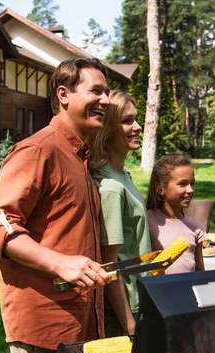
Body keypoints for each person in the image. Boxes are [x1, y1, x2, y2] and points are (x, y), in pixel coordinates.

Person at [0, 58, 111, 353]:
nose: (106, 100)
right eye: (96, 91)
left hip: (81, 324)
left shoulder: (78, 155)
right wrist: (60, 262)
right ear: (63, 94)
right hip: (45, 330)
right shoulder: (39, 150)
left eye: (107, 92)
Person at [89, 90, 150, 337]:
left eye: (135, 119)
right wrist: (129, 325)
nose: (137, 127)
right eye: (126, 121)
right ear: (106, 130)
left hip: (143, 293)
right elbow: (109, 264)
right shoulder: (111, 187)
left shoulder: (123, 175)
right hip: (127, 306)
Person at [146, 153, 205, 274]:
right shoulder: (147, 222)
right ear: (161, 188)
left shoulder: (195, 228)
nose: (190, 190)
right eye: (182, 184)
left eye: (192, 183)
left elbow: (200, 272)